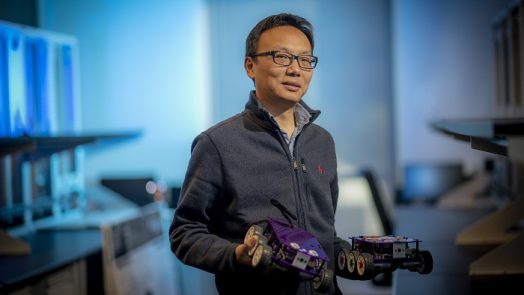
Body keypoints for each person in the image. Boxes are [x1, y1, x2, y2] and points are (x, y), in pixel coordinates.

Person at [169, 13, 350, 295]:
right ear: (250, 66)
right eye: (281, 57)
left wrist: (353, 256)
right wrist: (236, 254)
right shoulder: (216, 143)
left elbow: (324, 234)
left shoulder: (322, 142)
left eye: (305, 60)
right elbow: (185, 233)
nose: (295, 69)